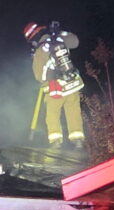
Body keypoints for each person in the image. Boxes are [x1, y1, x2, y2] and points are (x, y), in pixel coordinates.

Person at [23, 20, 85, 148]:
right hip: (72, 83)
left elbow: (39, 75)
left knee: (52, 114)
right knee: (73, 112)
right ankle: (78, 140)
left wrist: (35, 58)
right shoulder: (58, 39)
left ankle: (55, 142)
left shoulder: (41, 48)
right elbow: (75, 42)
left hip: (55, 88)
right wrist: (60, 33)